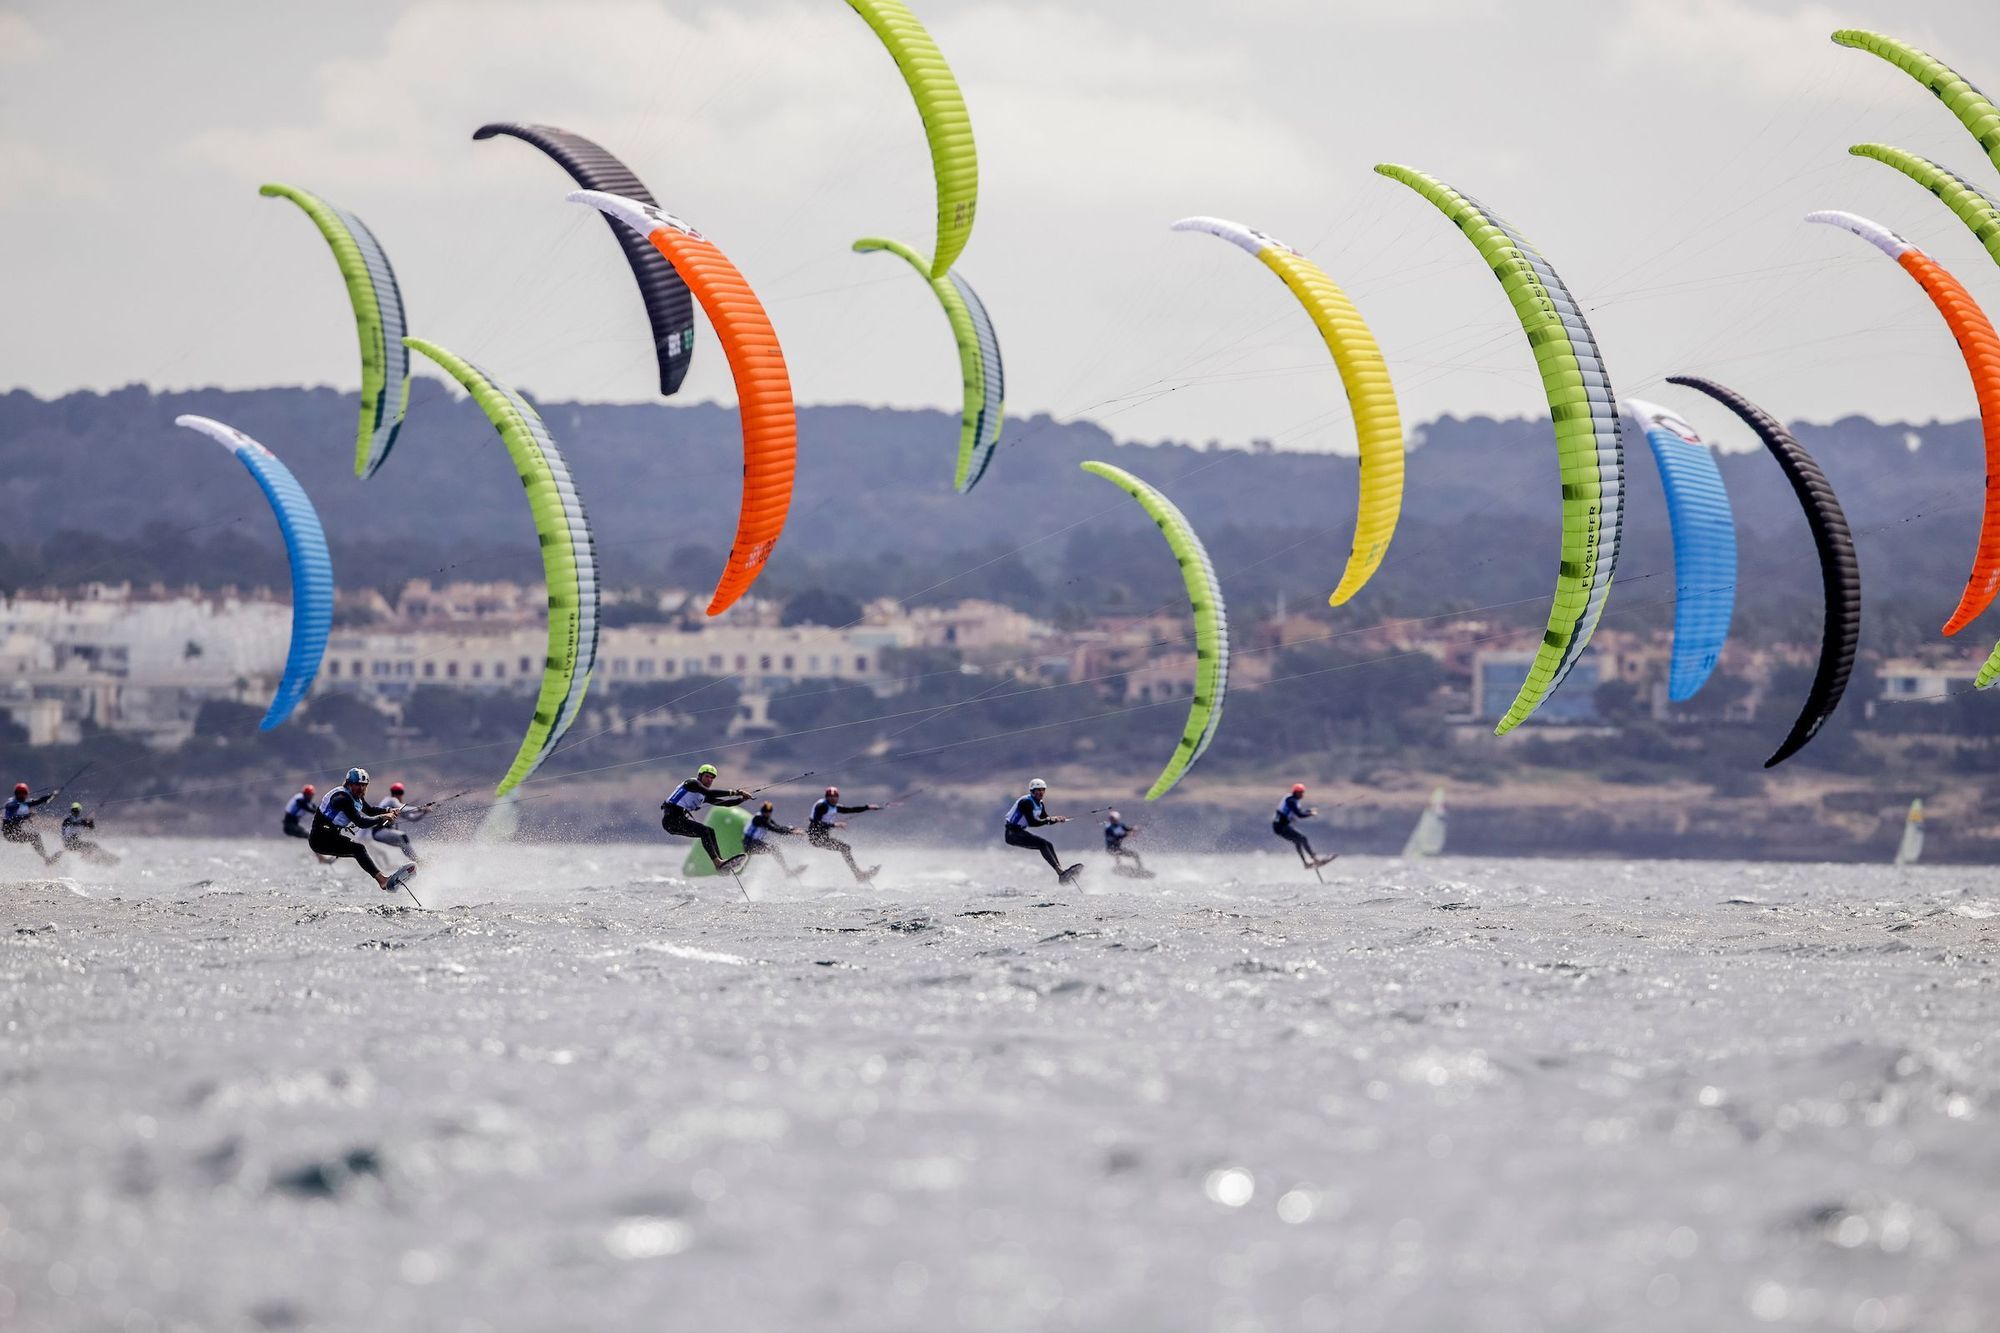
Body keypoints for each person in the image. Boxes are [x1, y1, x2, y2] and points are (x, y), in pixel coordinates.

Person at [308, 767, 410, 892]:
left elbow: (370, 810)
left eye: (364, 785)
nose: (361, 788)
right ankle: (382, 880)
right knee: (358, 849)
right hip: (320, 839)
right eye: (357, 785)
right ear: (349, 784)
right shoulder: (342, 798)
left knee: (358, 849)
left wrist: (388, 810)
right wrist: (382, 818)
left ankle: (382, 880)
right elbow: (361, 822)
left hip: (331, 836)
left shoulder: (356, 795)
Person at [660, 763, 751, 873]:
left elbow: (725, 803)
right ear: (700, 776)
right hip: (671, 820)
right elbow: (710, 793)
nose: (709, 780)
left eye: (712, 778)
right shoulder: (692, 783)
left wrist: (742, 799)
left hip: (678, 821)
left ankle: (721, 863)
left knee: (709, 831)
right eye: (707, 776)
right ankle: (718, 863)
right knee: (704, 831)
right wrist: (736, 792)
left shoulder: (703, 796)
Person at [1005, 778, 1082, 884]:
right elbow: (1033, 822)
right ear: (1032, 791)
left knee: (1048, 844)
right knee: (1042, 844)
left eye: (1043, 790)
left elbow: (1045, 819)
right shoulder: (1026, 802)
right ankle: (1060, 872)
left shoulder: (1040, 804)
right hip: (1012, 834)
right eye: (1038, 790)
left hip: (1019, 832)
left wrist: (1057, 819)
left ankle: (1061, 872)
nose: (1041, 792)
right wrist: (1048, 820)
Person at [807, 786, 881, 883]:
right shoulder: (821, 806)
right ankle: (858, 875)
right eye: (830, 797)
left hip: (823, 837)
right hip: (815, 838)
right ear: (826, 797)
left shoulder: (835, 807)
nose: (833, 799)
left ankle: (858, 875)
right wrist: (834, 824)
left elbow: (851, 810)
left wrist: (867, 807)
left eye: (835, 797)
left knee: (845, 848)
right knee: (845, 848)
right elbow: (816, 822)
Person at [1273, 782, 1334, 869]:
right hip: (1280, 827)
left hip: (1280, 826)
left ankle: (1306, 863)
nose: (1302, 794)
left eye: (1303, 792)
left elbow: (1299, 812)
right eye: (1300, 792)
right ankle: (1315, 858)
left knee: (1298, 841)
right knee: (1303, 838)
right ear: (1296, 792)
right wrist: (1311, 814)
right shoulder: (1291, 801)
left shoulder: (1293, 800)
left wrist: (1309, 811)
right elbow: (1300, 815)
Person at [3, 781, 62, 866]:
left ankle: (46, 859)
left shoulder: (23, 803)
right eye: (20, 793)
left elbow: (36, 801)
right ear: (16, 794)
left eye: (24, 793)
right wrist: (27, 816)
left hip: (17, 832)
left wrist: (51, 796)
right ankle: (46, 858)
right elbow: (13, 818)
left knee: (35, 836)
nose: (22, 795)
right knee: (34, 836)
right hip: (9, 833)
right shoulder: (11, 804)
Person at [742, 800, 805, 878]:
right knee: (774, 848)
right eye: (765, 811)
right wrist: (792, 833)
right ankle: (787, 871)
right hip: (749, 845)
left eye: (769, 811)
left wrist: (792, 829)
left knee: (775, 848)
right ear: (762, 811)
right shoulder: (758, 818)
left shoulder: (766, 818)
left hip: (756, 843)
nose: (767, 813)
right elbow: (773, 829)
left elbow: (778, 826)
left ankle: (786, 871)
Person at [368, 781, 422, 865]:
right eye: (396, 793)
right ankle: (417, 861)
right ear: (392, 793)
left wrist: (424, 812)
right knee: (402, 836)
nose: (398, 795)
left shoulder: (396, 805)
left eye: (400, 792)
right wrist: (420, 808)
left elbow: (412, 818)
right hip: (379, 831)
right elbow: (402, 808)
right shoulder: (391, 800)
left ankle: (415, 862)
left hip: (383, 832)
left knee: (403, 842)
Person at [282, 783, 331, 864]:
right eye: (308, 795)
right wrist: (321, 815)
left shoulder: (306, 801)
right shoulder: (300, 800)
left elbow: (316, 809)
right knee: (310, 836)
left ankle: (321, 856)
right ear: (304, 794)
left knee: (312, 836)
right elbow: (309, 809)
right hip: (288, 826)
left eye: (311, 795)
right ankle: (321, 858)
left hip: (293, 825)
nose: (309, 797)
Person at [60, 801, 119, 865]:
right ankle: (98, 860)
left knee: (92, 845)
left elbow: (91, 827)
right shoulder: (68, 820)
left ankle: (103, 859)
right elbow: (75, 823)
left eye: (77, 810)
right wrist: (86, 822)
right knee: (92, 845)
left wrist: (90, 821)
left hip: (72, 843)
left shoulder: (77, 820)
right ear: (72, 811)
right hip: (70, 844)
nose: (76, 812)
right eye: (75, 810)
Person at [1102, 809, 1150, 877]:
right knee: (1116, 854)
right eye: (1111, 818)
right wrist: (1126, 834)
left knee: (1135, 855)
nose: (1112, 820)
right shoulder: (1108, 828)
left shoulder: (1120, 825)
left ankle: (1140, 869)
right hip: (1111, 849)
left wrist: (1134, 828)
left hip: (1118, 848)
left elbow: (1127, 829)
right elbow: (1114, 838)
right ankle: (1118, 868)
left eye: (1113, 818)